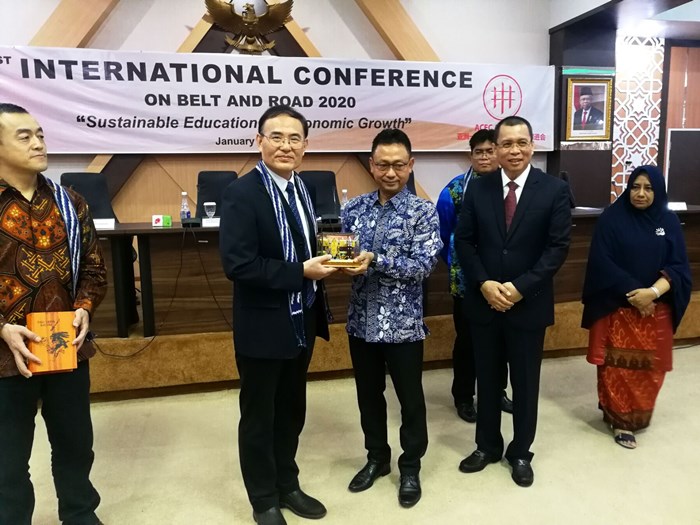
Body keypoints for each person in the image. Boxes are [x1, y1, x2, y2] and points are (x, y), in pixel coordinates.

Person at [219, 105, 337, 525]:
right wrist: (299, 272)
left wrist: (336, 259)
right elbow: (238, 265)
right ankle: (263, 498)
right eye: (277, 137)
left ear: (305, 146)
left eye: (294, 138)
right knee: (259, 416)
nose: (286, 146)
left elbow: (305, 246)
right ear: (259, 141)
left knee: (291, 409)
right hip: (262, 323)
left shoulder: (301, 187)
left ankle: (288, 483)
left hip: (301, 317)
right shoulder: (242, 193)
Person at [0, 103, 108, 525]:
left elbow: (94, 269)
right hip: (6, 358)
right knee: (8, 461)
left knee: (76, 445)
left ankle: (80, 514)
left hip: (65, 347)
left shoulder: (69, 202)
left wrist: (84, 309)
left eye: (40, 134)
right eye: (24, 136)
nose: (38, 143)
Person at [454, 116, 571, 487]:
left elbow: (556, 249)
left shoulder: (553, 189)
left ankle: (520, 451)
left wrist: (520, 288)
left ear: (532, 146)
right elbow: (464, 241)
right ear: (496, 148)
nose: (514, 150)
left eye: (521, 143)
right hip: (485, 303)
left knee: (525, 384)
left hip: (528, 304)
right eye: (506, 144)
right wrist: (484, 283)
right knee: (487, 381)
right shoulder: (479, 188)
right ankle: (487, 446)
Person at [341, 129, 441, 508]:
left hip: (403, 326)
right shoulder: (354, 209)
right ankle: (377, 458)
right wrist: (342, 263)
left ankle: (410, 466)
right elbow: (344, 255)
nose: (390, 173)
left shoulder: (422, 212)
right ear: (371, 165)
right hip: (361, 321)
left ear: (410, 165)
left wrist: (375, 260)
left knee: (410, 400)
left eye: (399, 165)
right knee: (368, 396)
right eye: (383, 165)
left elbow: (423, 266)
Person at [581, 165, 691, 449]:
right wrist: (636, 294)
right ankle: (620, 420)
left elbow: (679, 266)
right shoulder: (612, 218)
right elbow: (602, 262)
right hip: (618, 308)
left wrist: (652, 293)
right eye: (635, 187)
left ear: (658, 191)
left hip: (656, 310)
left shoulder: (668, 220)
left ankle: (638, 414)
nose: (641, 193)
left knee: (651, 370)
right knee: (617, 368)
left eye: (648, 188)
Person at [436, 129, 512, 424]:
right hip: (466, 283)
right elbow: (443, 238)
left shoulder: (511, 189)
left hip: (504, 281)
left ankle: (497, 392)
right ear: (471, 156)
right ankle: (464, 396)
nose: (485, 157)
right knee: (467, 341)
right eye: (478, 152)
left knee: (502, 340)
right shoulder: (454, 191)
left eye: (490, 151)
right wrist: (461, 267)